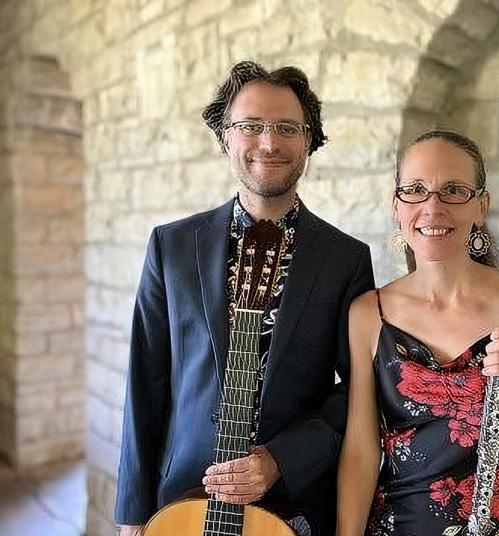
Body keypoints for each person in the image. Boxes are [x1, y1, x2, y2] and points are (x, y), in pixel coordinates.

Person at [115, 61, 374, 536]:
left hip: (294, 502)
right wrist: (132, 513)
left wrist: (281, 459)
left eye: (287, 128)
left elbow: (360, 389)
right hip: (182, 500)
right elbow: (145, 381)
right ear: (224, 138)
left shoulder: (346, 259)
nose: (269, 143)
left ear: (309, 141)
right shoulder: (172, 246)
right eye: (251, 125)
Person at [337, 130, 499, 535]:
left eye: (454, 190)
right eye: (415, 190)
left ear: (481, 207)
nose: (433, 207)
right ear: (396, 207)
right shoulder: (370, 313)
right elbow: (360, 452)